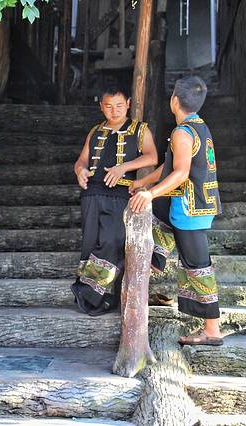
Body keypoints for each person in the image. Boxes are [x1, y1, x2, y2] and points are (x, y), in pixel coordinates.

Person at [129, 76, 223, 346]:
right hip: (195, 204)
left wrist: (150, 193)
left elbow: (180, 173)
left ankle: (212, 330)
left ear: (174, 100)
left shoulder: (182, 133)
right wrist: (143, 182)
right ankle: (148, 273)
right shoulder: (198, 127)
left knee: (198, 265)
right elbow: (170, 167)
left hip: (189, 208)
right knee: (158, 224)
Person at [71, 86, 158, 316]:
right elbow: (81, 161)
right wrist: (80, 171)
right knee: (90, 243)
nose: (114, 111)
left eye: (119, 105)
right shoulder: (95, 131)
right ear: (101, 106)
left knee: (114, 239)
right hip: (92, 193)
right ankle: (92, 298)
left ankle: (87, 291)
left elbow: (152, 156)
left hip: (120, 194)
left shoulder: (140, 129)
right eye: (109, 106)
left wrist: (123, 168)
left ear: (128, 104)